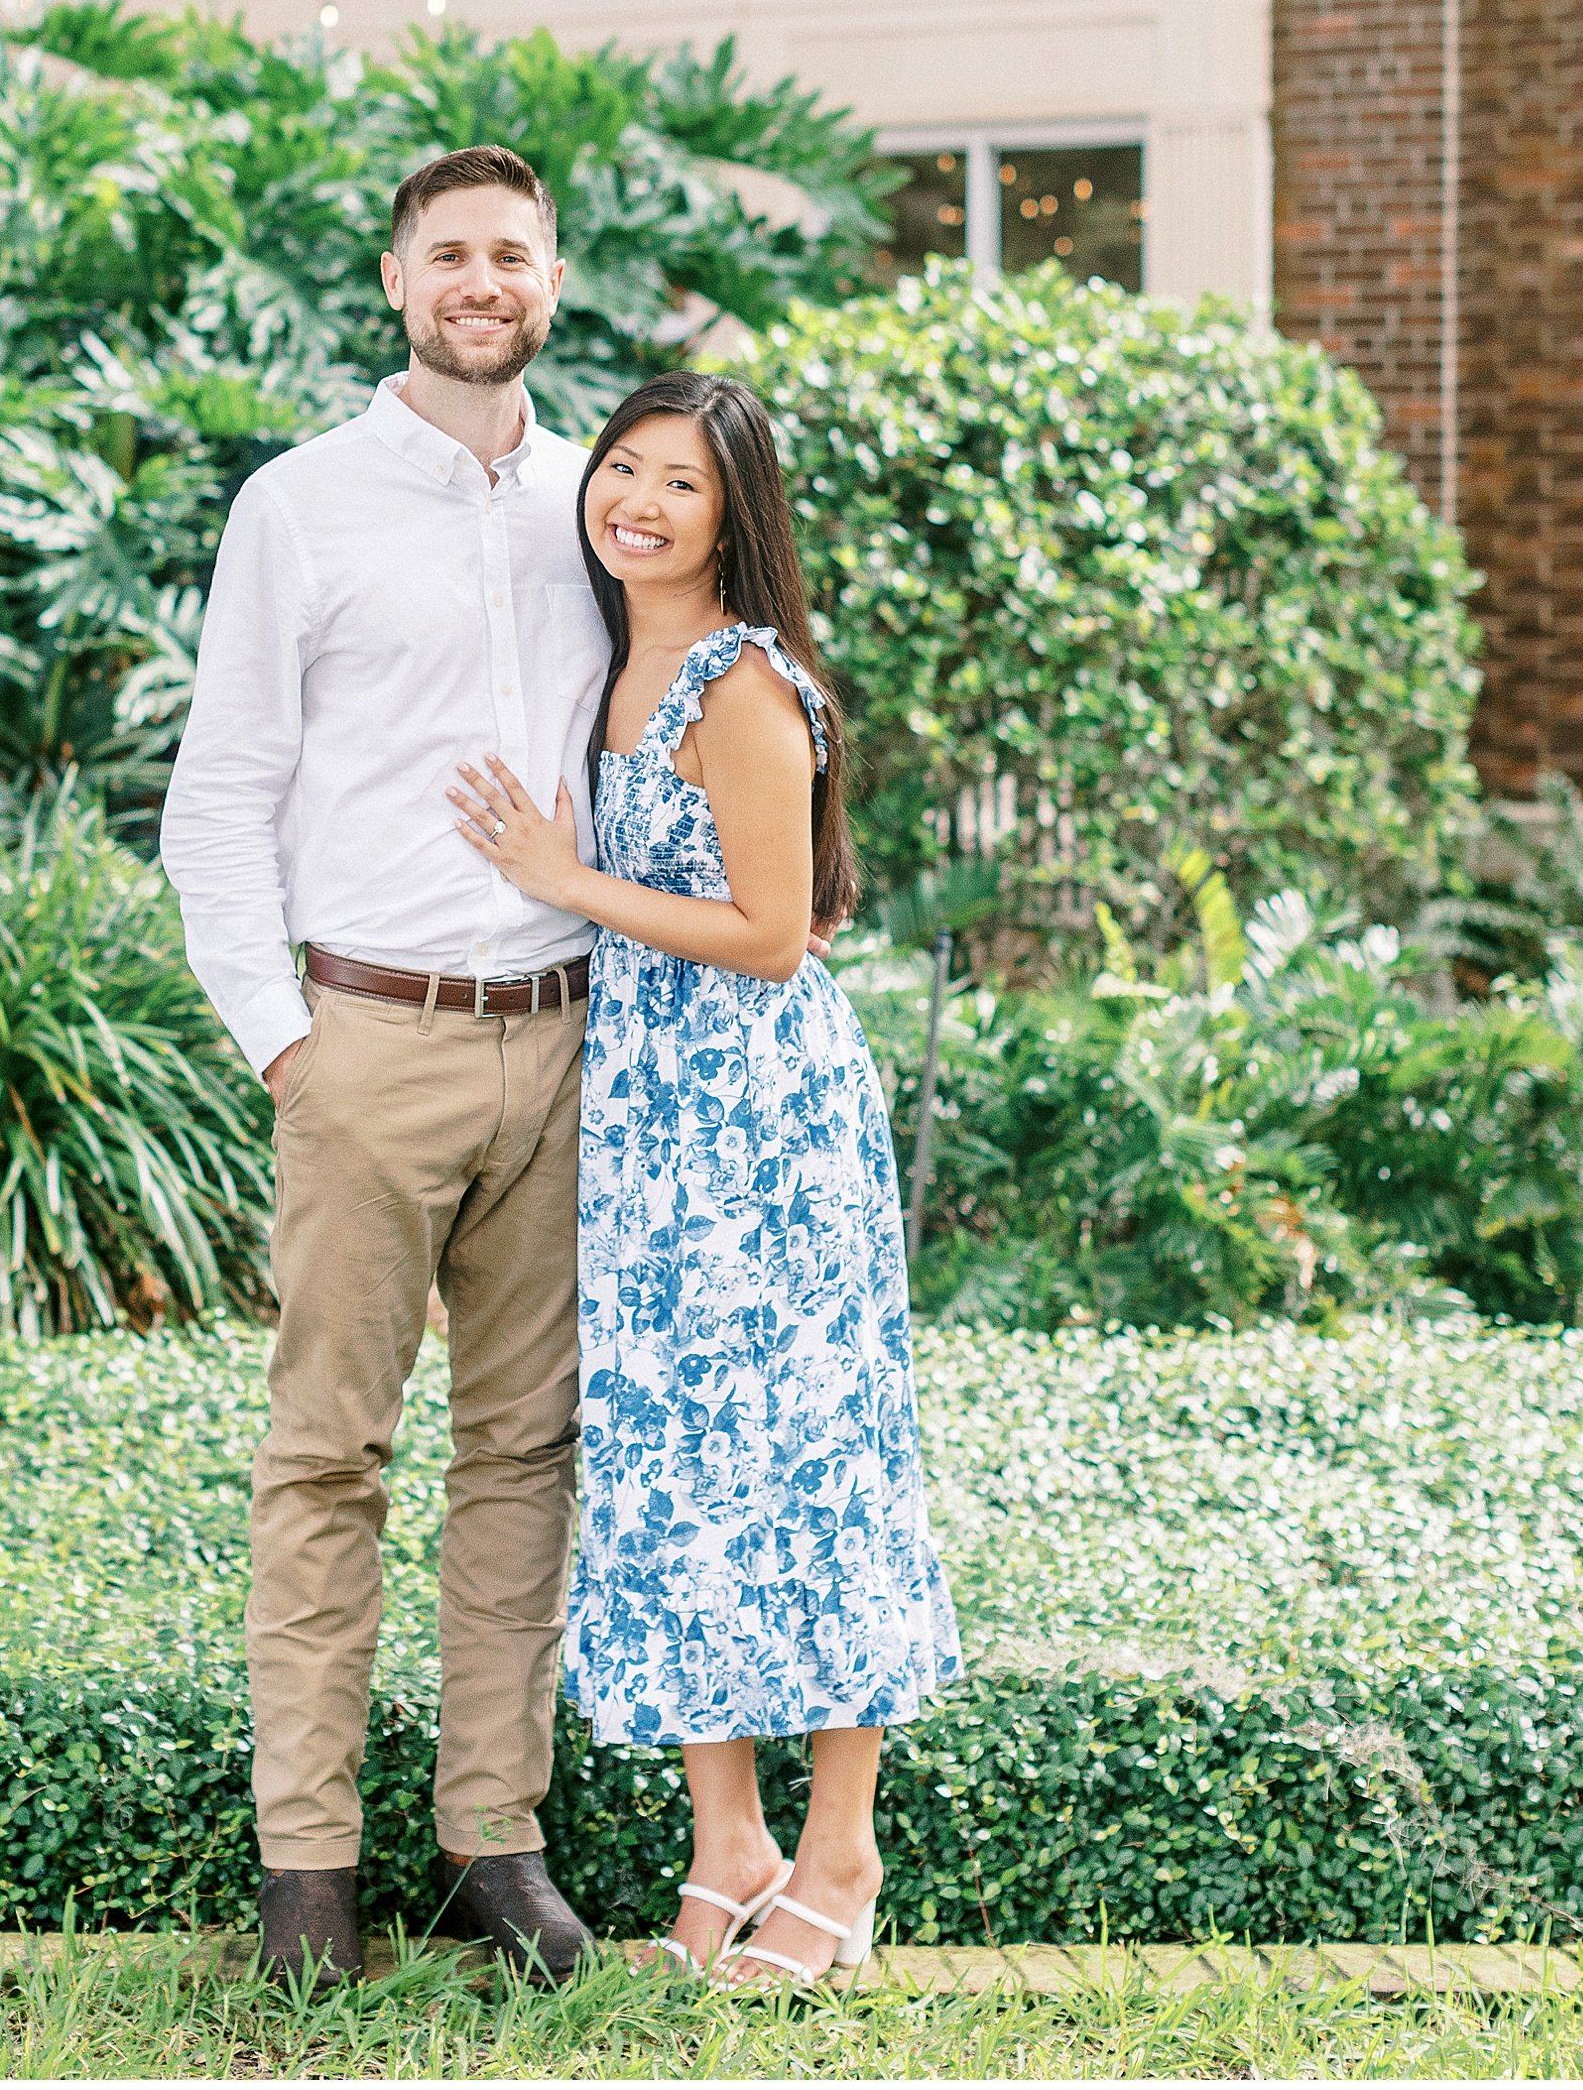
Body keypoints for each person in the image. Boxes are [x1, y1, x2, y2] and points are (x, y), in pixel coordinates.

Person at [448, 369, 962, 1994]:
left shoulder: (744, 681)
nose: (638, 504)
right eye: (621, 471)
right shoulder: (615, 661)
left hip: (760, 1124)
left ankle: (843, 1849)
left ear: (735, 514)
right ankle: (727, 1842)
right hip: (649, 1123)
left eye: (680, 483)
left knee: (808, 1465)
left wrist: (565, 880)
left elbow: (765, 934)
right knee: (681, 1471)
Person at [159, 143, 609, 1989]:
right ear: (397, 278)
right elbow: (220, 801)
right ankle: (306, 1871)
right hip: (367, 1043)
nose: (480, 281)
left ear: (553, 281)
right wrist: (289, 1047)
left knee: (526, 1457)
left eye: (511, 253)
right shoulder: (303, 504)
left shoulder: (606, 506)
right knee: (324, 1456)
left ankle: (491, 1839)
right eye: (450, 255)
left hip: (568, 1047)